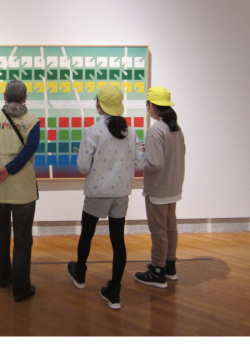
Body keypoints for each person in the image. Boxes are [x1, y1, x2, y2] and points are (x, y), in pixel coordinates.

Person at [68, 85, 139, 310]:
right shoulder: (132, 132)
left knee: (87, 235)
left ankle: (80, 273)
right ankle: (114, 292)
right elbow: (138, 164)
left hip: (97, 192)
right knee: (118, 242)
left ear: (99, 104)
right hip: (121, 193)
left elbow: (82, 166)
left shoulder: (93, 131)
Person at [0, 80, 43, 302]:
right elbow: (29, 151)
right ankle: (21, 288)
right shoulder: (32, 121)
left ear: (5, 97)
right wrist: (11, 169)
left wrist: (3, 168)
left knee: (0, 234)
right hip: (22, 188)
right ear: (25, 98)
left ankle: (4, 278)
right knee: (23, 239)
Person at [134, 86, 187, 288]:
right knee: (170, 228)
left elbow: (154, 163)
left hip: (158, 188)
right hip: (173, 187)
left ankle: (158, 271)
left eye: (147, 104)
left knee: (158, 230)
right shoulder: (176, 129)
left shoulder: (156, 130)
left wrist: (137, 163)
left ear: (152, 106)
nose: (147, 108)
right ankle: (169, 265)